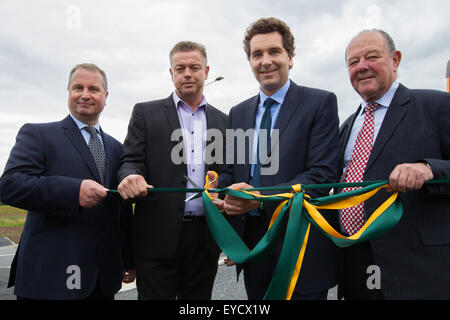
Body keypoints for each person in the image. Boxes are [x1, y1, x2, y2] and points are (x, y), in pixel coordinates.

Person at [210, 17, 340, 300]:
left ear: (290, 57)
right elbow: (232, 172)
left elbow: (322, 176)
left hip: (301, 243)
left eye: (274, 52)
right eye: (257, 54)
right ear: (250, 62)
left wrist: (259, 196)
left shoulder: (320, 103)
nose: (265, 61)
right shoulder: (238, 113)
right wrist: (219, 189)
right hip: (254, 245)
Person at [0, 63, 134, 300]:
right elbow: (10, 185)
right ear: (68, 92)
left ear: (105, 96)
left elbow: (120, 211)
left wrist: (128, 259)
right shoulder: (38, 135)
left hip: (101, 282)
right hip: (49, 280)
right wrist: (73, 192)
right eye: (77, 88)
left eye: (93, 89)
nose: (85, 94)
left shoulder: (117, 148)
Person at [339, 29, 450, 299]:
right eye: (353, 62)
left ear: (396, 60)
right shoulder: (345, 128)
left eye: (372, 57)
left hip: (419, 271)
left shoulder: (436, 105)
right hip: (356, 268)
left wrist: (429, 168)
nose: (362, 66)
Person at [117, 41, 228, 300]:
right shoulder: (145, 113)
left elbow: (229, 173)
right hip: (156, 236)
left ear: (206, 71)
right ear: (171, 73)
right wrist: (129, 175)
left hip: (205, 239)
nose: (187, 73)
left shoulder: (224, 121)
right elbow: (130, 159)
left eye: (194, 67)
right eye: (180, 68)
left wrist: (233, 236)